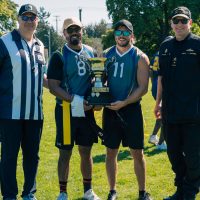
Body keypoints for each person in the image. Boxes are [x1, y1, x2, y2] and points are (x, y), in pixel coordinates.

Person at [47, 17, 100, 200]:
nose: (74, 33)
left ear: (82, 30)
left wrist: (96, 99)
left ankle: (88, 191)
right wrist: (75, 100)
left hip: (87, 111)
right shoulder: (59, 55)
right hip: (66, 111)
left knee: (86, 150)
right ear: (64, 34)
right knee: (65, 152)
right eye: (70, 30)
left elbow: (97, 79)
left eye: (77, 29)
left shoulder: (92, 52)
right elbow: (54, 86)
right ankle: (63, 192)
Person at [0, 4, 47, 200]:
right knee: (9, 157)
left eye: (32, 17)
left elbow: (42, 77)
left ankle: (29, 193)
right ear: (18, 19)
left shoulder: (40, 45)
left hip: (35, 113)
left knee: (32, 157)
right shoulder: (4, 42)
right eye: (25, 17)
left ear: (37, 20)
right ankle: (9, 195)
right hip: (9, 112)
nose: (29, 21)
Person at [154, 6, 200, 200]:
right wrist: (158, 104)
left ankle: (188, 192)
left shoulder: (198, 45)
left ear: (190, 23)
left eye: (183, 21)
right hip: (170, 112)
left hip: (193, 112)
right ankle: (181, 189)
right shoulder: (165, 46)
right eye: (176, 21)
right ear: (171, 23)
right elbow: (161, 78)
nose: (179, 24)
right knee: (173, 155)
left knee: (192, 157)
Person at [103, 19, 152, 200]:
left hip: (131, 110)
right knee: (110, 152)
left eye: (125, 32)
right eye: (118, 32)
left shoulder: (140, 57)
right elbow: (101, 80)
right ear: (114, 35)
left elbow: (143, 88)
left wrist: (124, 102)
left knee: (137, 152)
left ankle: (142, 192)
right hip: (110, 110)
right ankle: (112, 191)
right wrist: (98, 98)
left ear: (131, 35)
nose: (121, 36)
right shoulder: (106, 55)